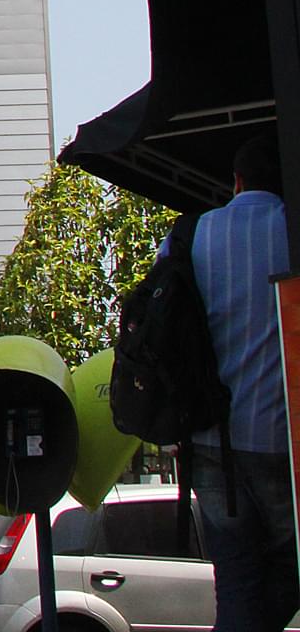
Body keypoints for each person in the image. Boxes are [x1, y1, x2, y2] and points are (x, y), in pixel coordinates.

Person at [187, 134, 297, 632]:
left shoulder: (192, 234)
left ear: (235, 181)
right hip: (283, 442)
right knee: (289, 570)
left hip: (210, 443)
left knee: (233, 581)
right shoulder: (289, 228)